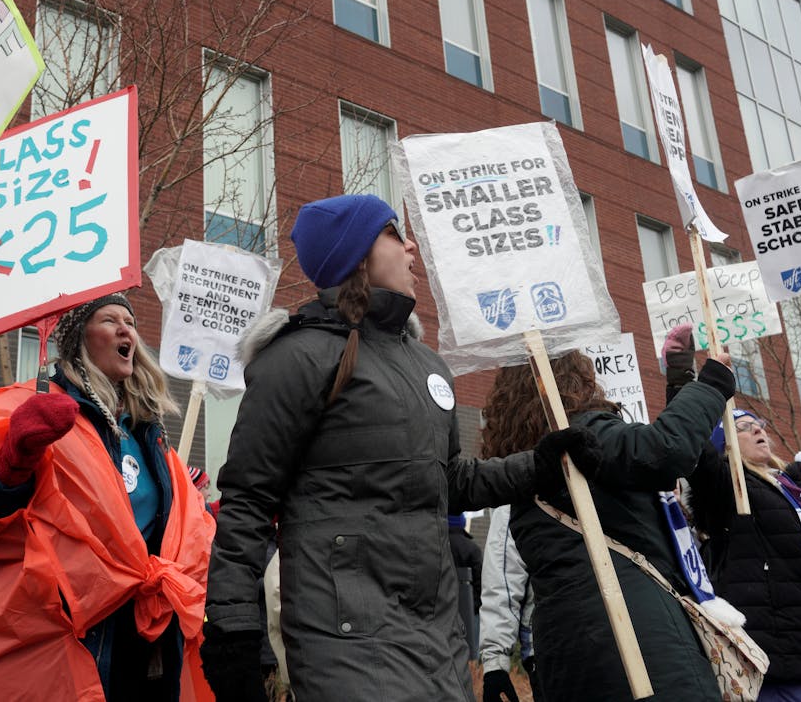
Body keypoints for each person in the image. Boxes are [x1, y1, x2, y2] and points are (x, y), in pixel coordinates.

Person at [202, 194, 600, 702]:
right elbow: (248, 500)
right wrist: (232, 628)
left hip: (437, 636)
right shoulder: (297, 358)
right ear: (357, 255)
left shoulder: (427, 365)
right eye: (393, 232)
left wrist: (542, 464)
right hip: (342, 636)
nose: (411, 245)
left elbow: (451, 480)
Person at [0, 292, 215, 702]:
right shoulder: (35, 405)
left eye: (131, 322)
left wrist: (202, 511)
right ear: (79, 339)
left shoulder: (148, 430)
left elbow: (185, 523)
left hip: (150, 630)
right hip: (77, 625)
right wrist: (13, 463)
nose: (127, 329)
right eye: (111, 320)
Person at [480, 335, 733, 702]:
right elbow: (664, 450)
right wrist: (712, 384)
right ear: (574, 382)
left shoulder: (520, 468)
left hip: (565, 654)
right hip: (639, 642)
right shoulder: (585, 436)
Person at [689, 402, 801, 701]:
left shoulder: (791, 487)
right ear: (723, 447)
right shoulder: (731, 486)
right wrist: (681, 376)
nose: (757, 429)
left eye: (759, 424)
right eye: (741, 427)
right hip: (777, 653)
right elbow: (699, 456)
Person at [477, 505, 543, 702]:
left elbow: (502, 577)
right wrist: (495, 663)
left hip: (623, 641)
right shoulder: (523, 489)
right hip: (548, 648)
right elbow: (503, 577)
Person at [448, 514, 483, 660]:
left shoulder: (438, 545)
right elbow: (480, 583)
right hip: (470, 612)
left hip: (443, 610)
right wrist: (475, 606)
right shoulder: (472, 548)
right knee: (470, 656)